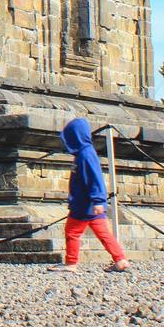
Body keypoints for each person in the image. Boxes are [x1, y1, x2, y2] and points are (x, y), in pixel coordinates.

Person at [49, 117, 129, 274]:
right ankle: (120, 259)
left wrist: (98, 200)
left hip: (84, 204)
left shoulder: (85, 154)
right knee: (104, 233)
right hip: (89, 204)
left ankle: (71, 263)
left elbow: (95, 178)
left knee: (72, 231)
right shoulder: (84, 154)